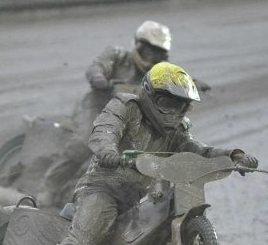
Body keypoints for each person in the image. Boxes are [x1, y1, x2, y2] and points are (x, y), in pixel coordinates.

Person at [9, 62, 258, 245]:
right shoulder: (125, 106)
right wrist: (108, 152)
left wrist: (232, 156)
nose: (174, 111)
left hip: (135, 200)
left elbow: (198, 152)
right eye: (167, 102)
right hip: (102, 189)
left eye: (181, 106)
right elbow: (103, 131)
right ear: (149, 94)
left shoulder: (178, 129)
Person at [37, 20, 210, 207]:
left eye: (159, 54)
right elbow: (96, 67)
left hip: (129, 114)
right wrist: (99, 78)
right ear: (138, 45)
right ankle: (49, 188)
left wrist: (194, 83)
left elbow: (176, 78)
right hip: (97, 107)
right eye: (150, 51)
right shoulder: (117, 55)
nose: (153, 58)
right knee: (84, 141)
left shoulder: (158, 71)